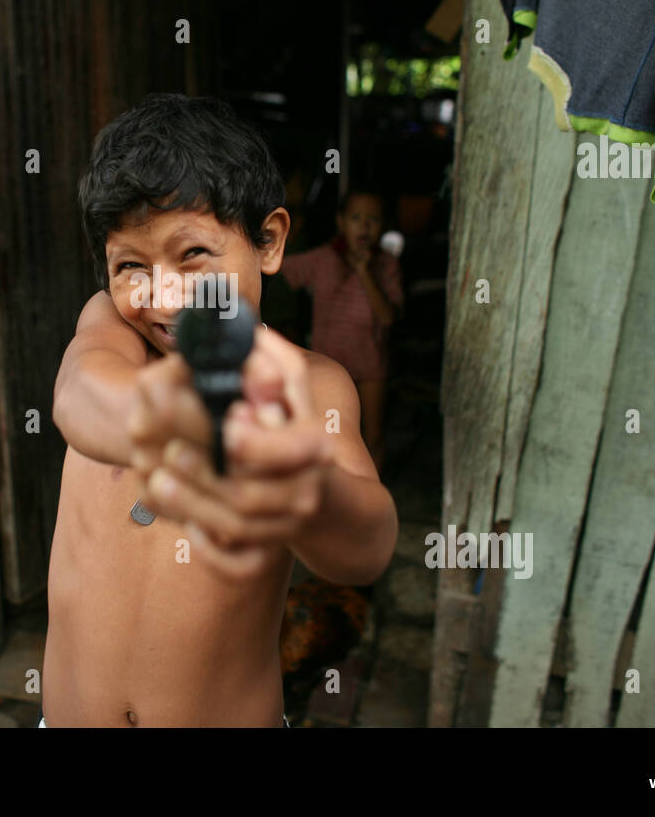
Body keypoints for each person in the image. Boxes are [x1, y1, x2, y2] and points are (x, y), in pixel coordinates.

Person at [43, 94, 398, 727]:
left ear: (268, 241)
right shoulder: (112, 331)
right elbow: (78, 396)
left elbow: (365, 549)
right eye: (131, 265)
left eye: (193, 255)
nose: (164, 294)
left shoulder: (312, 389)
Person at [278, 188, 403, 469]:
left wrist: (364, 272)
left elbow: (388, 317)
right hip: (330, 362)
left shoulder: (387, 264)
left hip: (371, 363)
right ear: (341, 222)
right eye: (356, 217)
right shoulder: (322, 259)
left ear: (383, 226)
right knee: (329, 436)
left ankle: (370, 501)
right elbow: (278, 267)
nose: (364, 225)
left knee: (372, 437)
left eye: (373, 219)